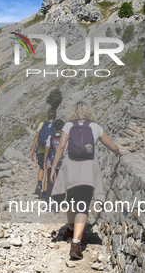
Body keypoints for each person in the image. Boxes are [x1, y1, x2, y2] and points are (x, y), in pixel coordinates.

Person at [50, 101, 126, 260]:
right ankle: (76, 244)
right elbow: (111, 146)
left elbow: (61, 147)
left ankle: (70, 230)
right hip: (88, 170)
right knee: (83, 204)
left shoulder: (68, 126)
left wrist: (53, 168)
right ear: (89, 112)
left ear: (73, 112)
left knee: (71, 200)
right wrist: (119, 153)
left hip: (71, 169)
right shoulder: (95, 127)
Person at [30, 109, 56, 195]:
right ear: (55, 117)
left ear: (47, 117)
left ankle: (39, 183)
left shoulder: (42, 124)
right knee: (48, 170)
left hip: (41, 149)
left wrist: (33, 149)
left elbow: (37, 136)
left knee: (41, 167)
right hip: (50, 150)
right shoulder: (56, 125)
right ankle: (45, 192)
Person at [42, 119, 65, 200]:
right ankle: (59, 201)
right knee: (61, 182)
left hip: (51, 162)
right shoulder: (65, 138)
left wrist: (45, 161)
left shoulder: (50, 137)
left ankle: (48, 200)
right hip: (62, 163)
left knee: (50, 181)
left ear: (54, 128)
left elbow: (47, 148)